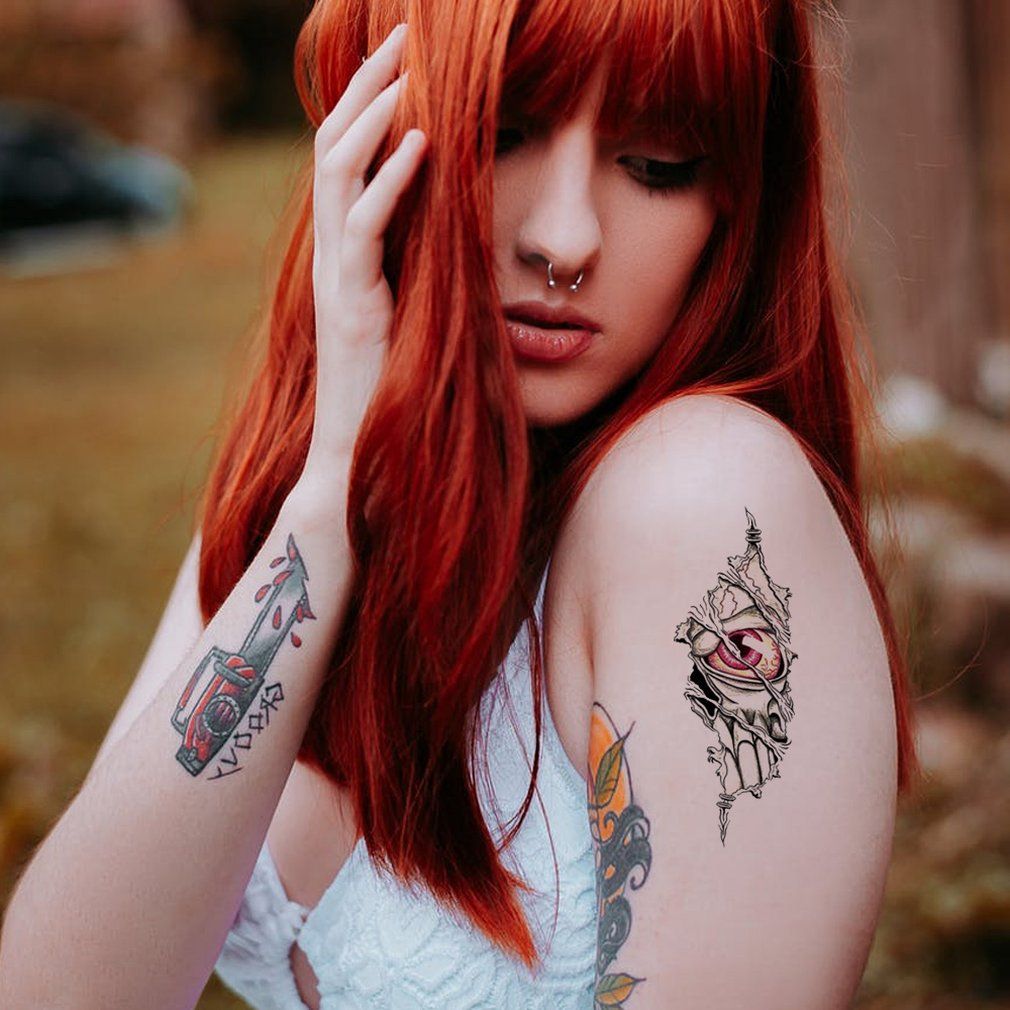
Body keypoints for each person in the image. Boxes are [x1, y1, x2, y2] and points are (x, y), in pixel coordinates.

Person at [0, 1, 922, 1008]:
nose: (562, 240)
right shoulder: (303, 490)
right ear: (368, 133)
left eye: (656, 164)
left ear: (738, 203)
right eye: (500, 132)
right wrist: (336, 491)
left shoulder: (705, 500)